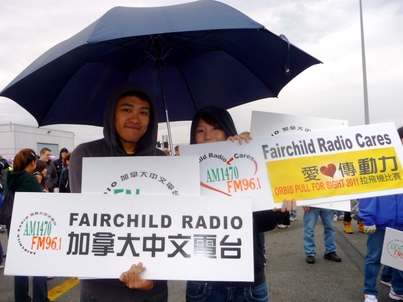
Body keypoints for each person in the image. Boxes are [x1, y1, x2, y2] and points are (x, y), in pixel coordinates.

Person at [70, 82, 167, 302]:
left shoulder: (161, 159)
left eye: (144, 112)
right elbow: (84, 221)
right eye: (127, 109)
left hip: (153, 288)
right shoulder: (86, 155)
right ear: (111, 114)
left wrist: (152, 279)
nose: (135, 118)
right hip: (101, 289)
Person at [185, 106, 293, 302]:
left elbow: (263, 223)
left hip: (250, 283)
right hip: (203, 284)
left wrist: (278, 208)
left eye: (215, 128)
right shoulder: (182, 174)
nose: (208, 135)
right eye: (200, 130)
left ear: (228, 131)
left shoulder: (245, 163)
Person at [3, 148, 49, 301]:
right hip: (32, 226)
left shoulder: (10, 177)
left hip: (14, 224)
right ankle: (40, 298)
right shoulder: (29, 179)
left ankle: (21, 298)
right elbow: (40, 202)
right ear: (33, 162)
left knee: (20, 263)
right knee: (39, 262)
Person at [359, 194, 403, 302]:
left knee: (399, 258)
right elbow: (367, 193)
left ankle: (398, 290)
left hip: (400, 221)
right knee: (374, 258)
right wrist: (368, 218)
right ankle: (369, 291)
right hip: (380, 222)